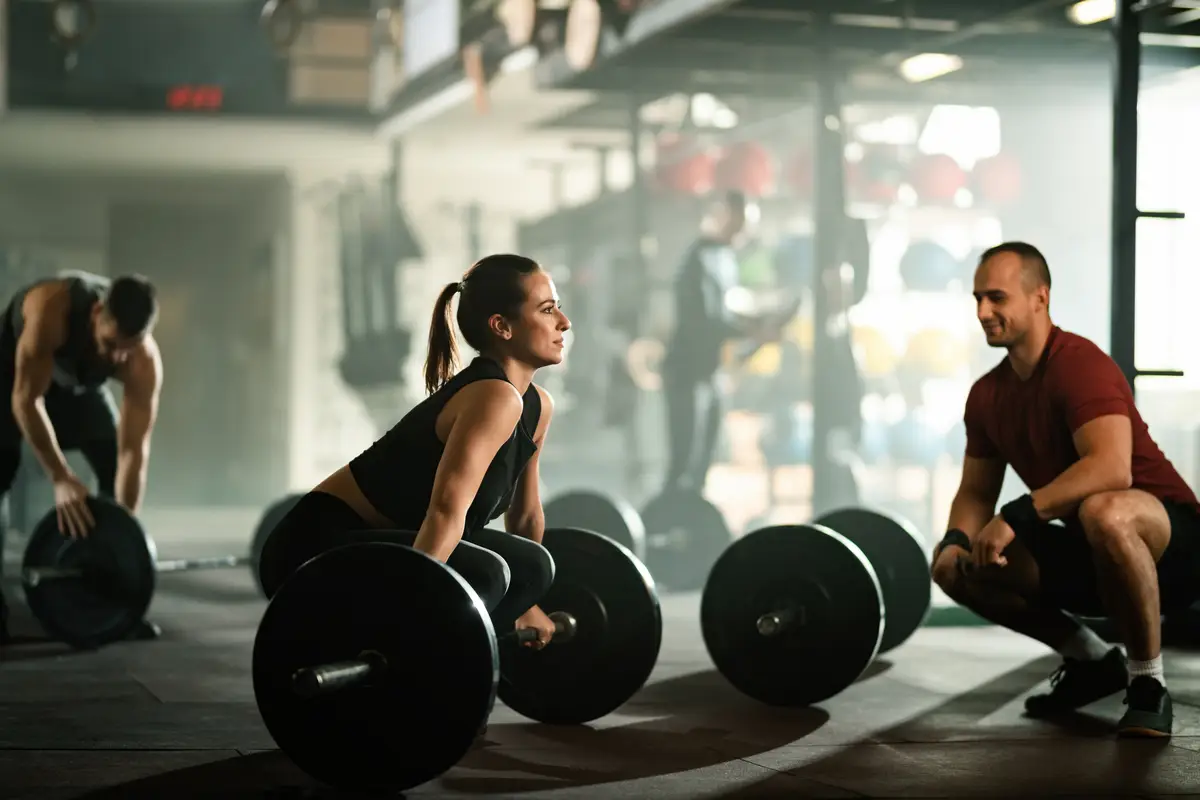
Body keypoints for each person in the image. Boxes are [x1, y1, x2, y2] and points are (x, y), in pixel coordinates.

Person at [931, 241, 1200, 739]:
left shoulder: (1079, 364)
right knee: (958, 568)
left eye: (996, 297)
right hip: (1094, 555)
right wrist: (954, 542)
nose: (983, 312)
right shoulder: (988, 395)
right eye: (977, 299)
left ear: (1040, 297)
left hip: (1174, 551)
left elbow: (1111, 469)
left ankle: (1147, 686)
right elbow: (973, 493)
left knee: (1105, 510)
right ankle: (1092, 660)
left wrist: (1015, 517)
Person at [258, 254, 567, 652]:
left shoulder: (536, 405)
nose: (564, 321)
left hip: (399, 543)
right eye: (547, 309)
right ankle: (419, 666)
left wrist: (527, 601)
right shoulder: (493, 397)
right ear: (502, 326)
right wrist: (406, 619)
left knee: (533, 566)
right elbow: (444, 515)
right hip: (313, 550)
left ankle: (447, 654)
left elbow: (524, 516)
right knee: (485, 574)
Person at [0, 271, 164, 643]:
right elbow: (25, 400)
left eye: (129, 346)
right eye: (110, 343)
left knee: (111, 462)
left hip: (74, 385)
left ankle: (117, 606)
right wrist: (60, 476)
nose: (118, 356)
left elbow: (132, 452)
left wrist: (124, 538)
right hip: (11, 375)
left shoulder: (142, 360)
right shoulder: (50, 309)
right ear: (95, 313)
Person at [660, 190, 795, 494]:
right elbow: (705, 320)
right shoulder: (699, 259)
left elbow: (727, 315)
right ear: (722, 216)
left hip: (711, 372)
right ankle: (668, 521)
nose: (743, 230)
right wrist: (754, 332)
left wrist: (758, 326)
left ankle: (692, 518)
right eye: (740, 222)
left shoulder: (725, 258)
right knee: (684, 460)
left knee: (704, 461)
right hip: (687, 373)